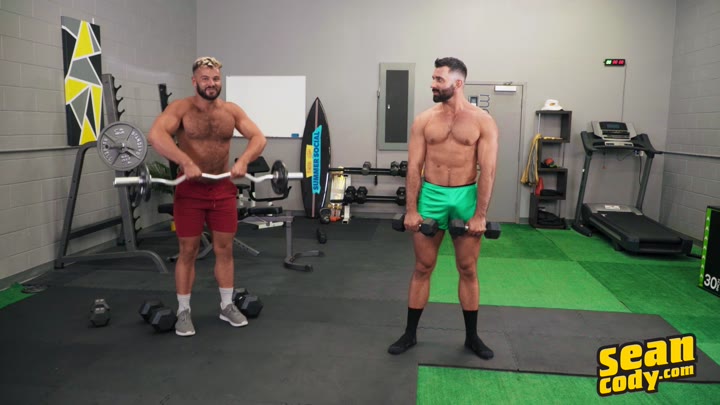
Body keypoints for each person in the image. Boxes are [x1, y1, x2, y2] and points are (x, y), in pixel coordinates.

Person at [147, 56, 267, 337]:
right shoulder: (181, 109)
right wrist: (184, 161)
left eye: (215, 79)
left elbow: (258, 138)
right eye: (205, 79)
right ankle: (184, 311)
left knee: (224, 249)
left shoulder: (231, 111)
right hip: (190, 191)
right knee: (188, 251)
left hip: (222, 188)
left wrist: (244, 161)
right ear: (194, 81)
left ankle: (227, 305)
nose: (211, 84)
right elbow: (156, 135)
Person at [388, 57, 499, 359]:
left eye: (439, 79)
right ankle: (410, 334)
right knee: (422, 267)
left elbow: (488, 170)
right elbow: (414, 167)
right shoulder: (424, 120)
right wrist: (412, 210)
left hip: (465, 195)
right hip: (432, 194)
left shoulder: (482, 121)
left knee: (468, 268)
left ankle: (472, 337)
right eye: (433, 78)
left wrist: (480, 215)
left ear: (458, 83)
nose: (432, 84)